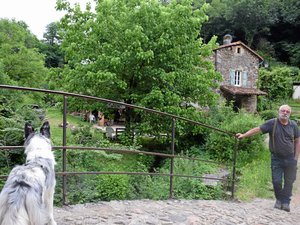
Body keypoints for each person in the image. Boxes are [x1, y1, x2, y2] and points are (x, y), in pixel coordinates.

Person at [236, 105, 300, 212]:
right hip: (277, 158)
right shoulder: (272, 123)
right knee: (276, 181)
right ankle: (279, 199)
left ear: (290, 113)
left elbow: (298, 140)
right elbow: (258, 129)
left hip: (290, 158)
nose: (285, 112)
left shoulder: (293, 125)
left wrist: (296, 157)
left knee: (289, 181)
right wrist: (244, 135)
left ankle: (285, 202)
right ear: (278, 112)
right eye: (283, 110)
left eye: (287, 111)